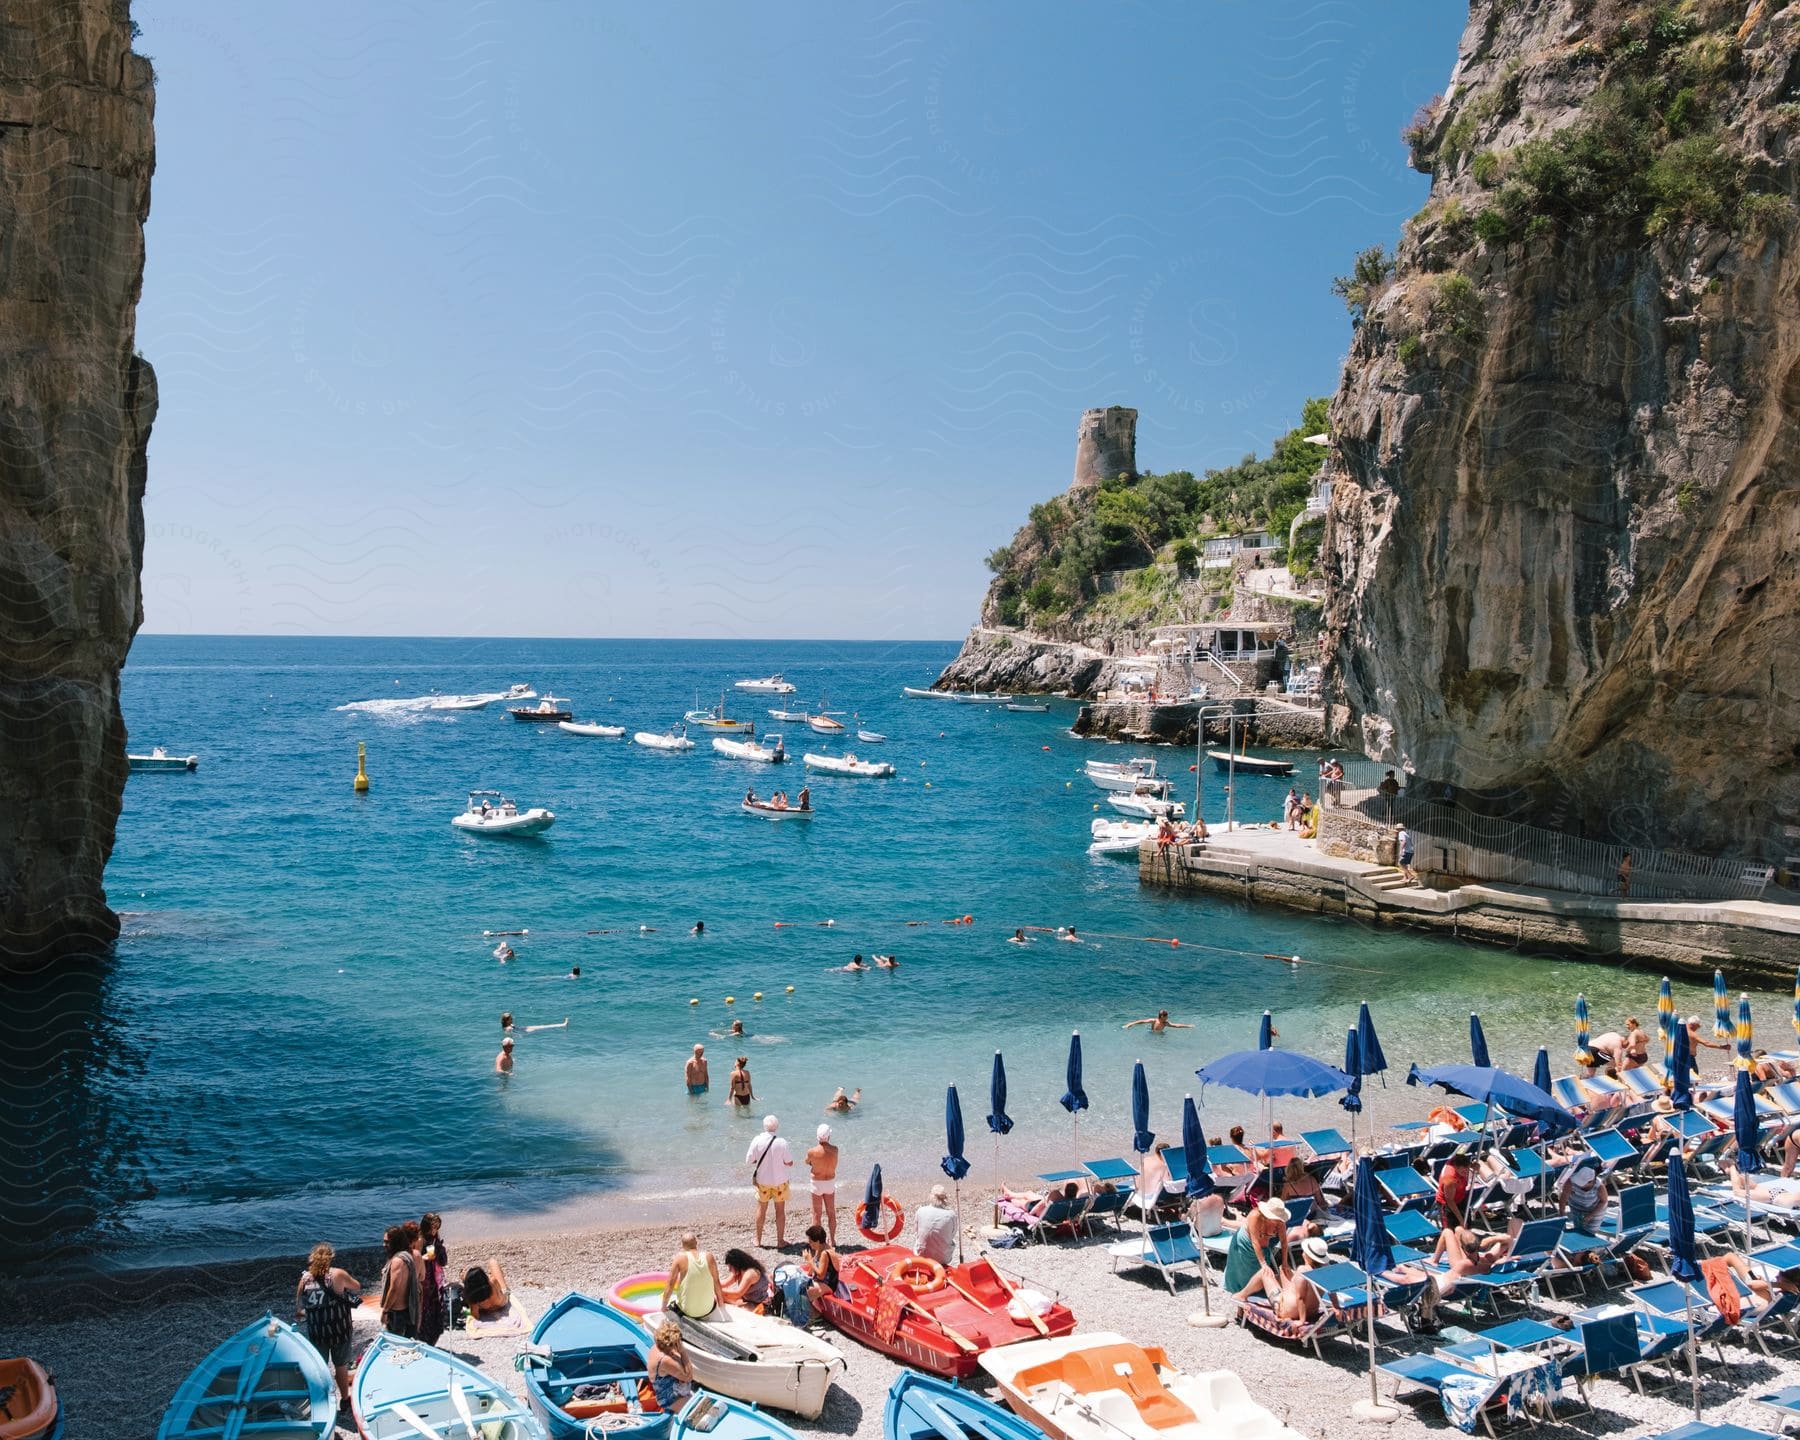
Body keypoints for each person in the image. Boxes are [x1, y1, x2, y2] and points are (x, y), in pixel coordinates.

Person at [296, 1242, 361, 1408]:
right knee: (341, 1365)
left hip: (318, 1331)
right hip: (340, 1329)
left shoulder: (304, 1279)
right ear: (330, 1258)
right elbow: (357, 1287)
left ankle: (320, 1400)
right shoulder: (337, 1274)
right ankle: (345, 1399)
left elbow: (300, 1308)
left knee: (319, 1367)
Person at [1223, 1199, 1290, 1301]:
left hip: (1263, 1248)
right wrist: (1263, 1263)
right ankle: (1240, 1308)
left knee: (1261, 1276)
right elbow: (1255, 1241)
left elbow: (1284, 1243)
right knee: (1242, 1275)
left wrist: (1285, 1263)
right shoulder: (1255, 1216)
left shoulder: (1280, 1223)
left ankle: (1249, 1303)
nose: (1278, 1220)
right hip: (1245, 1244)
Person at [747, 1115, 794, 1247]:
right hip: (780, 1181)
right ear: (776, 1127)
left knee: (761, 1209)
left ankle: (758, 1240)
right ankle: (780, 1241)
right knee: (780, 1210)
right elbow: (789, 1162)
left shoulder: (757, 1140)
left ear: (764, 1126)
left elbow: (749, 1160)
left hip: (763, 1181)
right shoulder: (782, 1142)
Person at [662, 1231, 722, 1318]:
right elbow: (716, 1281)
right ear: (696, 1243)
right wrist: (721, 1304)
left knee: (673, 1306)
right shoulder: (709, 1256)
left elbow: (670, 1284)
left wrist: (663, 1307)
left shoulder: (680, 1258)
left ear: (682, 1245)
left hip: (686, 1312)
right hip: (708, 1309)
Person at [645, 1320, 695, 1412]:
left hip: (667, 1389)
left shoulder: (656, 1348)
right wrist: (682, 1351)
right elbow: (689, 1377)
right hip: (670, 1399)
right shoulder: (666, 1360)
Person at [380, 1224, 418, 1337]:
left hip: (396, 1313)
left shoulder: (397, 1261)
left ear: (395, 1243)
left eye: (387, 1242)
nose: (384, 1245)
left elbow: (394, 1289)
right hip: (408, 1310)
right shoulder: (408, 1256)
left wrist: (385, 1311)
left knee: (395, 1346)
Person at [417, 1212, 449, 1345]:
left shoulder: (435, 1240)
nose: (435, 1230)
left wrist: (439, 1249)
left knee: (435, 1307)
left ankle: (432, 1338)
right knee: (424, 1308)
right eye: (433, 1227)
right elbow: (415, 1258)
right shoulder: (420, 1240)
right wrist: (425, 1257)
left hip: (434, 1279)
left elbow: (443, 1261)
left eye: (437, 1227)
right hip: (424, 1278)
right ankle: (423, 1338)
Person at [806, 1124, 840, 1243]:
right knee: (831, 1211)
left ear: (817, 1137)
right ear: (829, 1136)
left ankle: (818, 1242)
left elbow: (807, 1162)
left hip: (816, 1183)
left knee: (816, 1214)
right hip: (829, 1181)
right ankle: (833, 1239)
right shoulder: (835, 1150)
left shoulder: (812, 1151)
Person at [1559, 1154, 1607, 1233]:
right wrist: (1562, 1214)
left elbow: (1603, 1201)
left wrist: (1591, 1215)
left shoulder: (1599, 1186)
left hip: (1595, 1211)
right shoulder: (1570, 1182)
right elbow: (1563, 1198)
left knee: (1589, 1234)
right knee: (1578, 1231)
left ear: (1591, 1181)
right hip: (1576, 1209)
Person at [802, 1224, 846, 1308]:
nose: (809, 1244)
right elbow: (813, 1268)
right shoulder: (820, 1248)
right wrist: (807, 1274)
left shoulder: (825, 1253)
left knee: (805, 1291)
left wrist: (810, 1261)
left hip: (829, 1285)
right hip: (822, 1282)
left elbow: (821, 1275)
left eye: (811, 1242)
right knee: (800, 1284)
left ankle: (810, 1314)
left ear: (817, 1241)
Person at [916, 1183, 957, 1264]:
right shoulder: (951, 1215)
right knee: (950, 1239)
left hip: (922, 1254)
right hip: (943, 1258)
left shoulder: (921, 1210)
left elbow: (917, 1231)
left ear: (931, 1196)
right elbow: (953, 1234)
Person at [1436, 1153, 1472, 1230]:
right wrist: (1461, 1220)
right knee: (1450, 1230)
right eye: (1463, 1172)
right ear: (1455, 1167)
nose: (1466, 1173)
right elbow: (1450, 1201)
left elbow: (1459, 1156)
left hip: (1460, 1196)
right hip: (1447, 1203)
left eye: (1467, 1169)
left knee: (1467, 1225)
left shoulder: (1458, 1162)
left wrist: (1474, 1166)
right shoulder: (1450, 1179)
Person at [1124, 1009, 1191, 1033]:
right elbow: (1142, 1021)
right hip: (1152, 1034)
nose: (1167, 1017)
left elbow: (1176, 1026)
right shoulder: (1154, 1021)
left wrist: (1187, 1026)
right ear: (1162, 1016)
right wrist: (1131, 1024)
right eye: (1166, 1016)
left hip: (1161, 1035)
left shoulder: (1165, 1023)